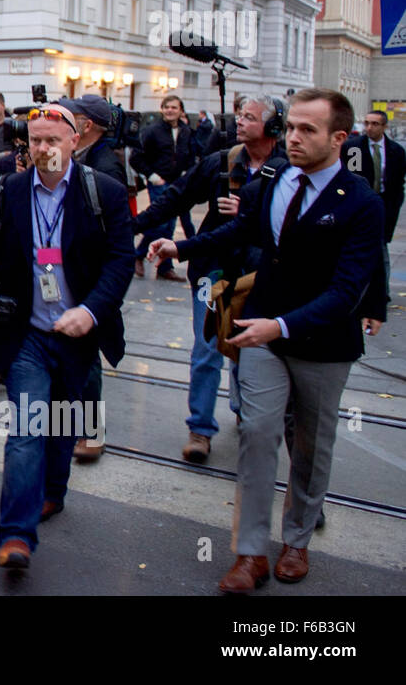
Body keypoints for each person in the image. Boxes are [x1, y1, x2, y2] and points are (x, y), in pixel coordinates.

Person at [149, 88, 387, 593]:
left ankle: (297, 539)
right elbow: (237, 233)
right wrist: (181, 245)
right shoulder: (275, 178)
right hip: (261, 333)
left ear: (338, 139)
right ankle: (251, 552)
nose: (293, 137)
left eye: (308, 130)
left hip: (322, 343)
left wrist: (281, 326)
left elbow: (347, 290)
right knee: (257, 433)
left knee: (311, 443)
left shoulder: (362, 202)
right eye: (291, 127)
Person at [0, 103, 135, 571]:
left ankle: (54, 493)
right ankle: (16, 535)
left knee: (62, 424)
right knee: (25, 429)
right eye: (34, 141)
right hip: (27, 335)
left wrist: (91, 311)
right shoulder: (5, 191)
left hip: (77, 334)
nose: (42, 149)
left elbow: (121, 261)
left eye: (52, 141)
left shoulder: (105, 193)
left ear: (74, 142)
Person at [134, 97, 288, 463]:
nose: (240, 122)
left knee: (247, 348)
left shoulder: (288, 171)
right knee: (206, 349)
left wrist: (253, 212)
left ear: (273, 127)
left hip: (258, 274)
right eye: (240, 115)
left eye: (249, 118)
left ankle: (242, 408)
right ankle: (200, 429)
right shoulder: (222, 162)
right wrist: (132, 226)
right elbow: (176, 197)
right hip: (212, 270)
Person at [56, 94, 128, 460]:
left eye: (73, 116)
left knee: (89, 356)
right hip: (65, 269)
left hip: (89, 276)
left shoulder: (106, 167)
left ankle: (91, 432)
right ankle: (70, 426)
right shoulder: (78, 155)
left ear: (85, 126)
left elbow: (116, 241)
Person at [130, 94, 194, 280]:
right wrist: (152, 176)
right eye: (166, 107)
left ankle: (165, 267)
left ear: (181, 110)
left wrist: (187, 173)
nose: (170, 110)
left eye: (174, 107)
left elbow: (191, 154)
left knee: (169, 225)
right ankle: (139, 255)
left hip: (178, 182)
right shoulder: (152, 131)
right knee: (159, 222)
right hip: (159, 182)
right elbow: (136, 157)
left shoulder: (186, 131)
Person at [341, 109, 404, 244]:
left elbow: (398, 182)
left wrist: (395, 204)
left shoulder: (396, 150)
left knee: (380, 244)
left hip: (384, 202)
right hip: (359, 202)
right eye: (367, 123)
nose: (369, 128)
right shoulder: (354, 148)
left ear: (384, 127)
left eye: (375, 124)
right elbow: (351, 176)